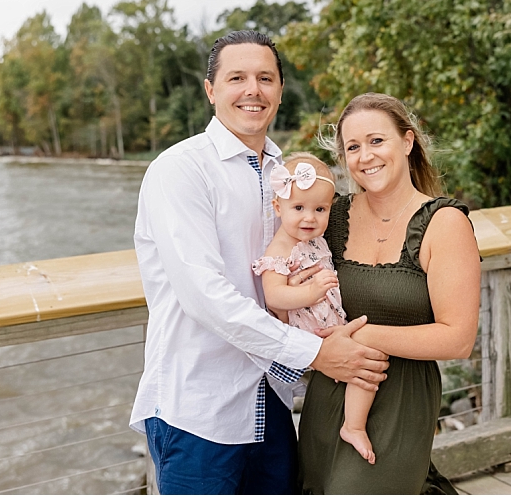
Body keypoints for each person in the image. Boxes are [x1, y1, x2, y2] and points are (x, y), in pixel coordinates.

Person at [128, 31, 389, 495]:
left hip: (270, 401)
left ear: (280, 91)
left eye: (265, 78)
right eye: (237, 78)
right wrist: (316, 353)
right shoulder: (181, 169)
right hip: (199, 409)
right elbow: (204, 297)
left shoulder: (289, 175)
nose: (253, 90)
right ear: (210, 90)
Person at [295, 93, 481, 494]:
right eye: (353, 147)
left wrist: (362, 336)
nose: (365, 156)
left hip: (401, 400)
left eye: (376, 141)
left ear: (408, 142)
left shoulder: (443, 223)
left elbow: (459, 338)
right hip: (330, 394)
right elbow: (286, 271)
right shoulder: (330, 218)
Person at [253, 153, 377, 465]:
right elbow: (274, 297)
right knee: (364, 364)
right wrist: (310, 292)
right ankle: (354, 426)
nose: (309, 218)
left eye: (319, 209)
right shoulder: (279, 251)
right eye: (298, 208)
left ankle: (351, 425)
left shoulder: (314, 239)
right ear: (278, 208)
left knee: (364, 364)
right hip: (309, 332)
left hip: (328, 321)